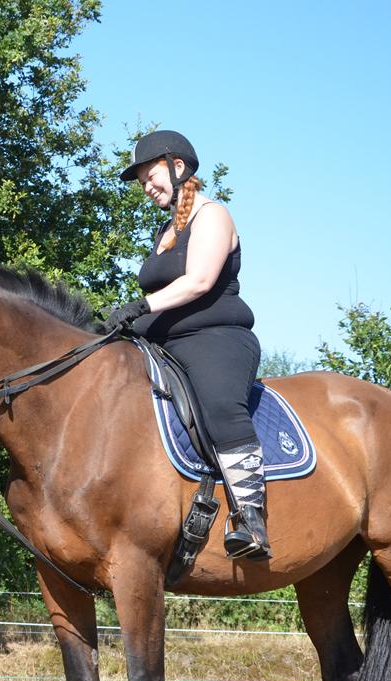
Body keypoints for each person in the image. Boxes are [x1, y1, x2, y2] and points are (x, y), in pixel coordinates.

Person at [106, 130, 269, 560]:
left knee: (219, 405)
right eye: (141, 182)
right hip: (163, 341)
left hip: (215, 338)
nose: (147, 188)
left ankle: (251, 518)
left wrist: (140, 305)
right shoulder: (166, 229)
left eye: (150, 175)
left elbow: (198, 282)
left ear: (178, 167)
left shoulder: (213, 216)